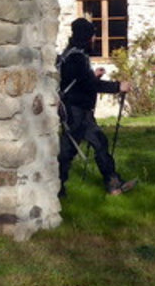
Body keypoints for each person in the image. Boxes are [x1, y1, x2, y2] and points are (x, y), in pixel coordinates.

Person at [58, 16, 136, 197]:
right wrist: (118, 86)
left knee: (99, 143)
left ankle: (113, 183)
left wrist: (93, 76)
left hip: (80, 111)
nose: (94, 38)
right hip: (75, 112)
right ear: (85, 36)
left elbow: (80, 81)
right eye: (92, 35)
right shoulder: (76, 57)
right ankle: (56, 188)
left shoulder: (73, 54)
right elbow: (89, 85)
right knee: (67, 152)